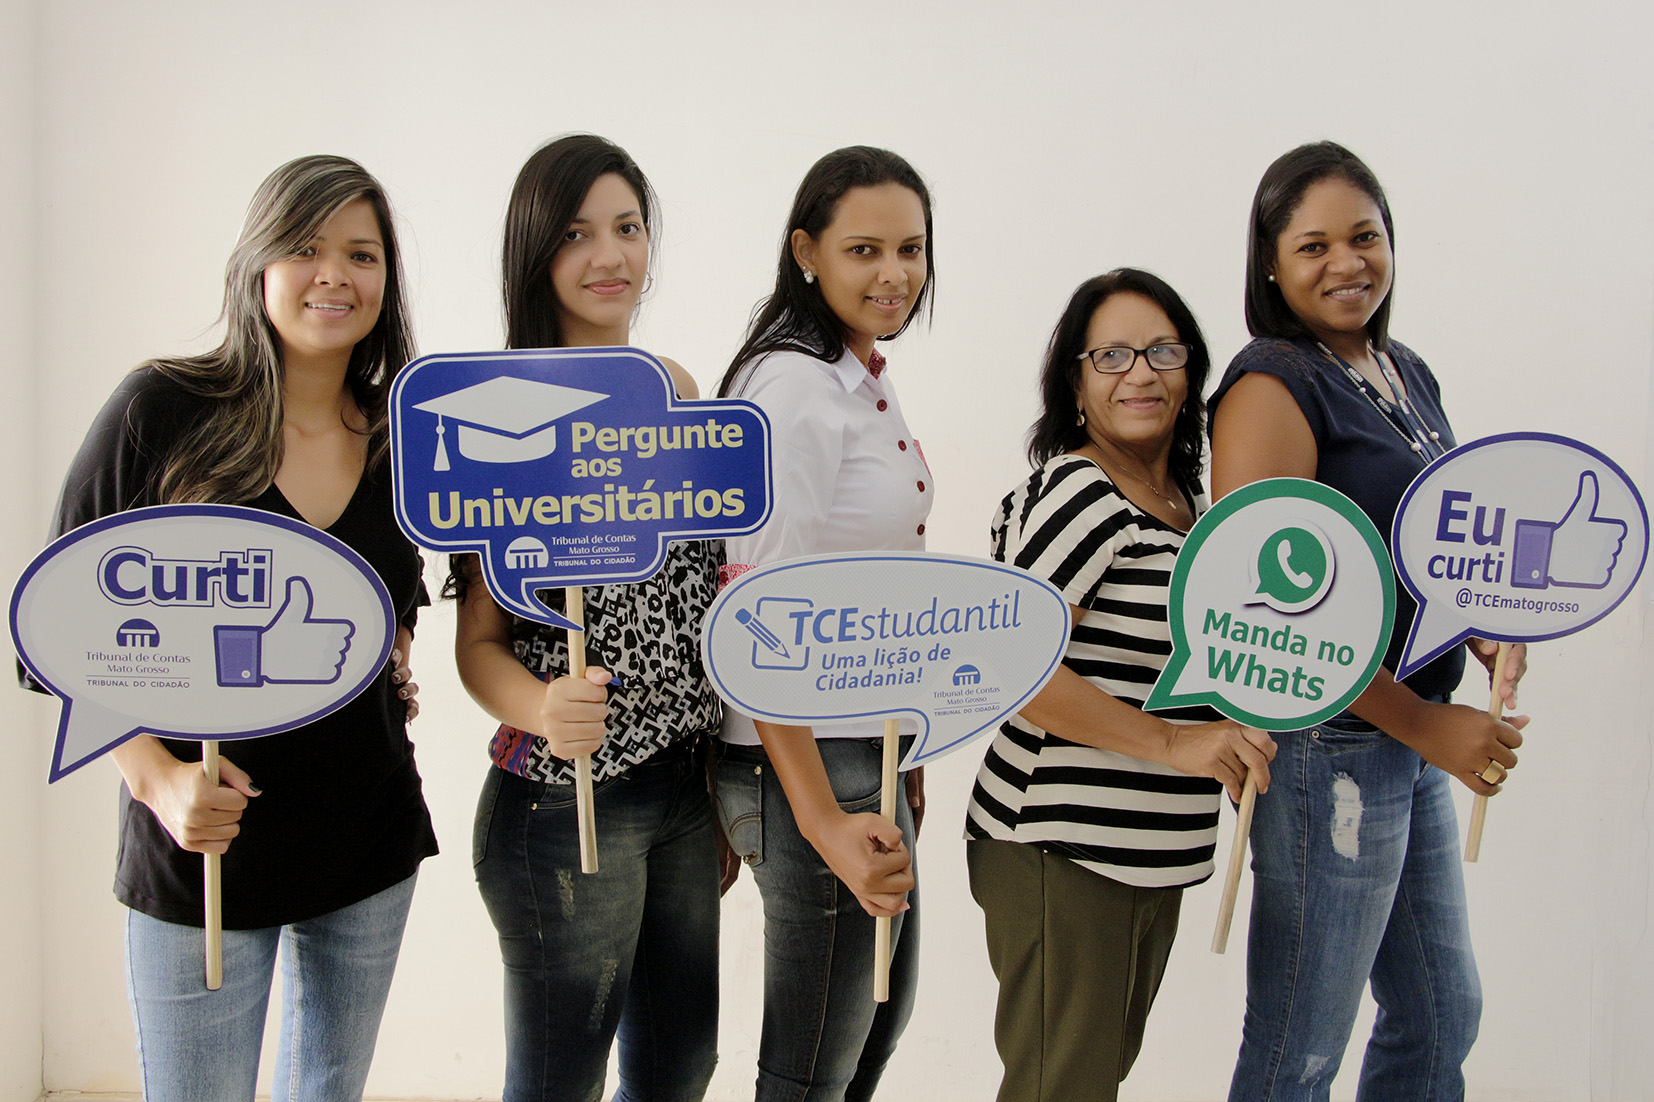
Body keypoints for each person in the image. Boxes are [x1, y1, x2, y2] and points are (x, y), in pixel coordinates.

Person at [36, 155, 434, 1102]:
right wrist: (156, 780)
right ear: (258, 263)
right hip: (204, 846)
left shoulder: (401, 436)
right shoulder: (161, 409)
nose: (335, 275)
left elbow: (398, 595)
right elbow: (54, 628)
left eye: (362, 254)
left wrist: (392, 658)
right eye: (306, 247)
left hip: (366, 837)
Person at [1208, 140, 1528, 1101]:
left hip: (1407, 743)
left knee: (1440, 1015)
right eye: (1314, 246)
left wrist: (1476, 621)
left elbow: (1424, 545)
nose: (1347, 263)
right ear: (1271, 264)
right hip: (1331, 747)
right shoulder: (1271, 384)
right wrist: (1427, 723)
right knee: (1301, 1046)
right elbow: (1264, 613)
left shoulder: (1403, 370)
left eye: (1365, 237)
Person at [964, 269, 1277, 1102]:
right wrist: (1175, 742)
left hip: (1147, 853)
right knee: (1060, 1089)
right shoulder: (1081, 492)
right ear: (1074, 383)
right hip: (1062, 845)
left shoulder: (1190, 504)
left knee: (1086, 1083)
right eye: (1111, 355)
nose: (1140, 373)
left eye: (1163, 352)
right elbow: (1010, 666)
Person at [454, 134, 722, 1102]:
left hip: (683, 788)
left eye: (628, 227)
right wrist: (541, 706)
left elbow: (698, 594)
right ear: (536, 252)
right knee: (559, 1081)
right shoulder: (494, 414)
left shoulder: (678, 391)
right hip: (564, 799)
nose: (610, 255)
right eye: (576, 233)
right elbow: (477, 646)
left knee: (678, 1066)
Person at [710, 145, 934, 1101]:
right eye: (864, 250)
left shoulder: (854, 373)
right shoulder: (795, 389)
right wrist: (820, 818)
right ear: (807, 252)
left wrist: (909, 743)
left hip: (865, 744)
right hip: (805, 758)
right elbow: (758, 617)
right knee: (814, 1065)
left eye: (911, 249)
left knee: (872, 1026)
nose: (895, 275)